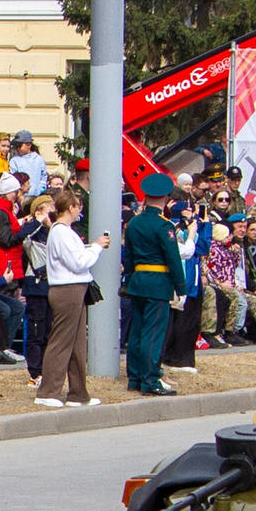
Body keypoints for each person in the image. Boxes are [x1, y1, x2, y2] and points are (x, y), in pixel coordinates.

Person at [38, 192, 107, 408]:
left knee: (77, 343)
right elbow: (77, 263)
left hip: (75, 289)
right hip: (67, 289)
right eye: (78, 207)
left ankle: (78, 393)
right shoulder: (61, 233)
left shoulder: (65, 232)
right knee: (61, 341)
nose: (80, 211)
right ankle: (48, 391)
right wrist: (96, 247)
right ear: (70, 207)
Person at [121, 172, 187, 397]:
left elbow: (129, 256)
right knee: (153, 333)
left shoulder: (134, 223)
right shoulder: (163, 225)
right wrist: (181, 286)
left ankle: (135, 377)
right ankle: (150, 379)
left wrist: (129, 279)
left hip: (138, 281)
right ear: (166, 199)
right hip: (158, 283)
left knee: (137, 332)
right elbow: (173, 258)